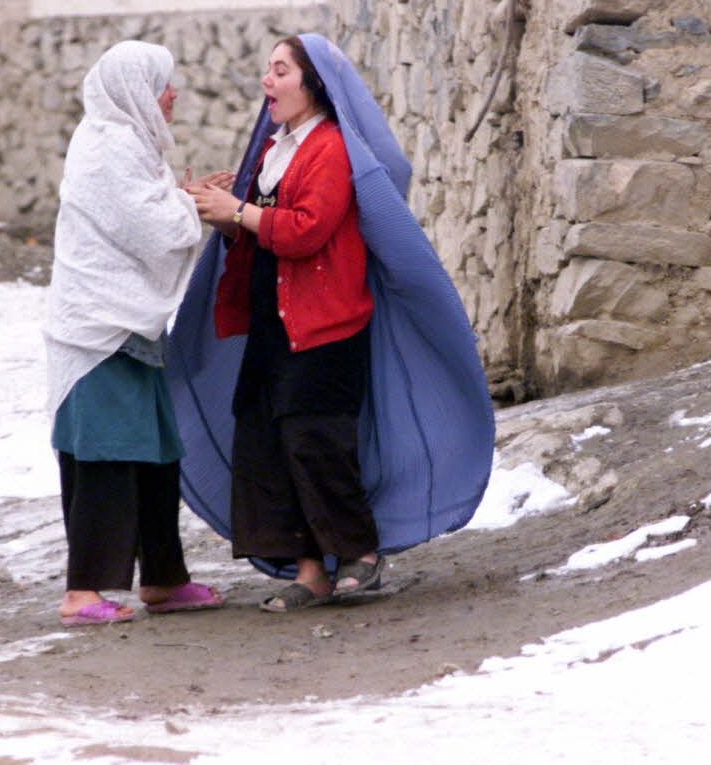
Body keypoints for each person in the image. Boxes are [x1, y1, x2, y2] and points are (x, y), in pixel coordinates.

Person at [174, 34, 496, 612]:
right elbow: (260, 233)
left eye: (279, 70)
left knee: (316, 441)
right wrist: (220, 214)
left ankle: (359, 555)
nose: (266, 82)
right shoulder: (277, 148)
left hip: (325, 322)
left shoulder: (329, 149)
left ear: (313, 83)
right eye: (267, 71)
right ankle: (307, 569)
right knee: (268, 439)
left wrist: (241, 211)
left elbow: (307, 229)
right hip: (275, 322)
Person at [43, 40, 230, 626]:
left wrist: (184, 197)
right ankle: (81, 593)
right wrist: (197, 205)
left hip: (128, 325)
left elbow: (145, 210)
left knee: (155, 453)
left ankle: (163, 580)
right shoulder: (108, 145)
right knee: (105, 453)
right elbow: (149, 229)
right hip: (100, 328)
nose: (171, 94)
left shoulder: (127, 144)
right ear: (133, 92)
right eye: (161, 84)